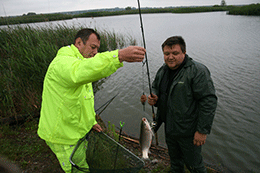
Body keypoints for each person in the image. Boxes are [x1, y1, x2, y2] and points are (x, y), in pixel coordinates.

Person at [37, 28, 146, 173]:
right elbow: (81, 71)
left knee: (82, 163)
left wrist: (90, 122)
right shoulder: (63, 63)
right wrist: (118, 56)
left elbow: (82, 100)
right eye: (92, 47)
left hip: (75, 131)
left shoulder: (81, 61)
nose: (95, 52)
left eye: (97, 49)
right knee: (78, 169)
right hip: (63, 137)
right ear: (78, 43)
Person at [141, 36, 217, 173]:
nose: (170, 57)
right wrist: (154, 96)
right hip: (169, 127)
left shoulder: (197, 71)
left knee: (194, 165)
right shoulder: (163, 70)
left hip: (188, 130)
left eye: (175, 53)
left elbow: (209, 101)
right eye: (166, 54)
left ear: (184, 52)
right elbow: (155, 87)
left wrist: (202, 131)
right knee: (175, 162)